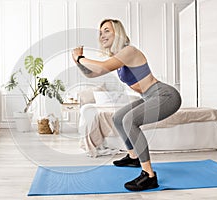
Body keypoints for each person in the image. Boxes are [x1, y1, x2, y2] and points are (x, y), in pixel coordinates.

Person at [72, 19, 181, 191]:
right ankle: (133, 157)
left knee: (130, 120)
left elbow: (101, 67)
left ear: (118, 33)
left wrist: (80, 57)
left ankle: (149, 175)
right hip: (149, 97)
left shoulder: (129, 51)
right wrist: (78, 62)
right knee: (118, 118)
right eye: (100, 32)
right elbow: (92, 75)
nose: (102, 35)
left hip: (165, 95)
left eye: (107, 30)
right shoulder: (118, 58)